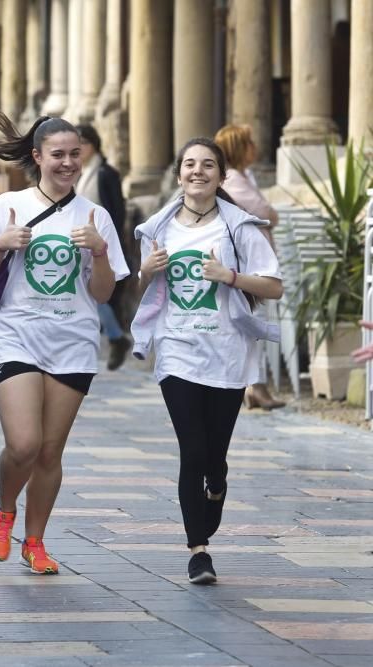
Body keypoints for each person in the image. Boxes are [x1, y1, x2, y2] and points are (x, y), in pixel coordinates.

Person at [0, 114, 129, 576]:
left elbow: (102, 295)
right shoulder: (8, 205)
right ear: (37, 157)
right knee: (24, 444)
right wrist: (0, 244)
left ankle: (35, 542)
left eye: (74, 154)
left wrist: (99, 250)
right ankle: (4, 513)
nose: (67, 163)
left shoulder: (95, 216)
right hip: (16, 335)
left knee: (49, 453)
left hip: (73, 343)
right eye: (57, 154)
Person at [131, 137, 282, 585]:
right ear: (179, 174)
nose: (198, 171)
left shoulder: (240, 228)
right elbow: (144, 286)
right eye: (190, 164)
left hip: (228, 353)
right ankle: (199, 551)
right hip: (176, 350)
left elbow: (273, 286)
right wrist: (147, 271)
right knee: (191, 449)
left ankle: (218, 481)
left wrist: (229, 276)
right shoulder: (158, 228)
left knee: (213, 454)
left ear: (220, 175)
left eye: (208, 165)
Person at [214, 124, 285, 410]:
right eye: (250, 142)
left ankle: (256, 386)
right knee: (252, 324)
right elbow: (267, 214)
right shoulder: (234, 183)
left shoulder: (245, 177)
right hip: (245, 269)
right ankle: (253, 385)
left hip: (255, 265)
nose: (255, 147)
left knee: (255, 325)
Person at [77, 124, 131, 370]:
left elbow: (116, 212)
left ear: (93, 144)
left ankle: (116, 337)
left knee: (96, 295)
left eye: (82, 144)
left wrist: (110, 246)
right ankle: (113, 336)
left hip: (103, 245)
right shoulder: (82, 172)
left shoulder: (105, 173)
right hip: (82, 246)